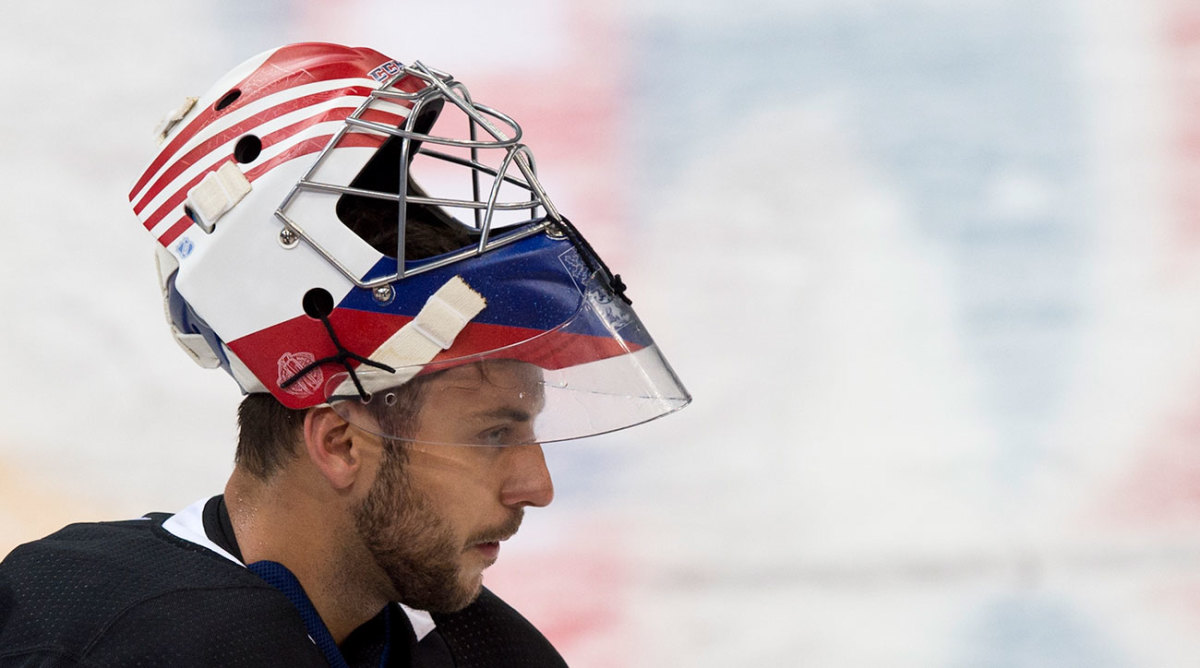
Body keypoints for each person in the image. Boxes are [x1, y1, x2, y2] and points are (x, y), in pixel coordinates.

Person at [0, 42, 689, 666]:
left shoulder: (488, 654)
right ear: (339, 441)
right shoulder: (118, 639)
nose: (536, 486)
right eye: (492, 434)